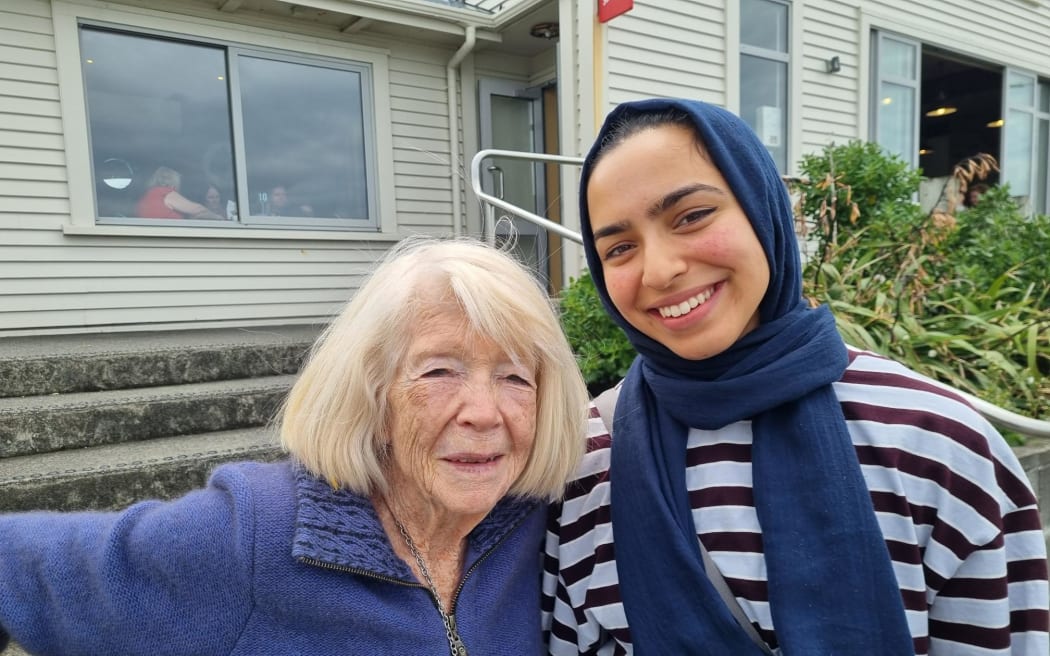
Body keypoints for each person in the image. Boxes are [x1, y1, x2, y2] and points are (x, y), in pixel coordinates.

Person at [542, 98, 1049, 655]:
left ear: (762, 206)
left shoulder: (939, 445)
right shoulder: (585, 463)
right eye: (619, 248)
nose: (660, 270)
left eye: (692, 216)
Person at [0, 237, 589, 655]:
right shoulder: (248, 538)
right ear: (372, 396)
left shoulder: (537, 524)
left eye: (515, 377)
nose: (484, 413)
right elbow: (17, 563)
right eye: (438, 371)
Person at [135, 166, 224, 220]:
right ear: (174, 180)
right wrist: (219, 218)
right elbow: (197, 209)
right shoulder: (164, 192)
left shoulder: (148, 196)